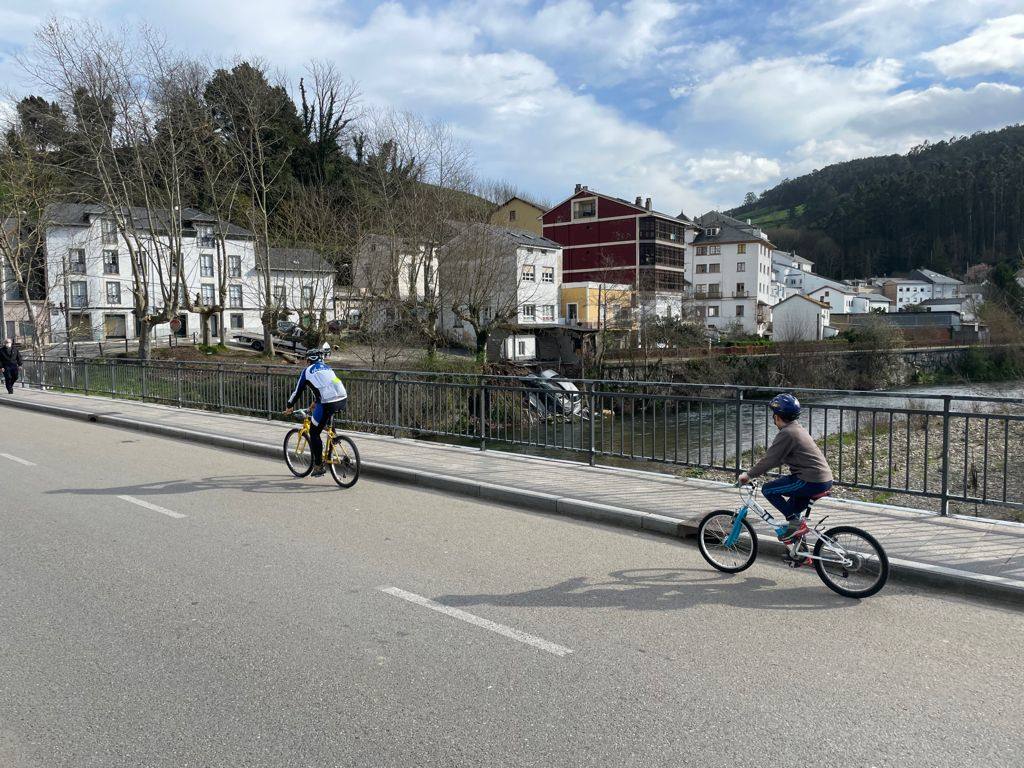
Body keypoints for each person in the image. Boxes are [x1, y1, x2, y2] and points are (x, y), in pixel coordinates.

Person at [738, 394, 833, 541]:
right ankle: (799, 554)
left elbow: (770, 459)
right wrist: (762, 469)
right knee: (793, 512)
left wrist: (748, 475)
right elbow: (780, 459)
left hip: (809, 480)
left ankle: (796, 524)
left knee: (768, 489)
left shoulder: (787, 433)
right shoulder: (797, 428)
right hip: (822, 479)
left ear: (777, 417)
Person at [283, 347, 348, 477]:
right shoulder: (327, 368)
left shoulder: (307, 371)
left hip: (327, 402)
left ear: (309, 359)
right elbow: (328, 386)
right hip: (343, 398)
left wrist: (290, 405)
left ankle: (318, 466)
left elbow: (298, 391)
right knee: (326, 419)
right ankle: (333, 439)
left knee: (313, 432)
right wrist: (315, 402)